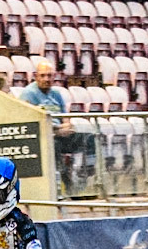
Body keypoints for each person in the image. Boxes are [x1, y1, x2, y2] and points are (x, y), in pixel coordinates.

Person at [19, 59, 95, 192]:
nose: (46, 79)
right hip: (44, 137)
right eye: (43, 75)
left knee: (88, 138)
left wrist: (66, 126)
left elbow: (65, 117)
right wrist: (56, 130)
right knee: (55, 145)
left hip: (60, 133)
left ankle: (86, 176)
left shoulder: (56, 94)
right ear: (36, 76)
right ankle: (65, 182)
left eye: (49, 75)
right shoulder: (28, 94)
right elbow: (31, 121)